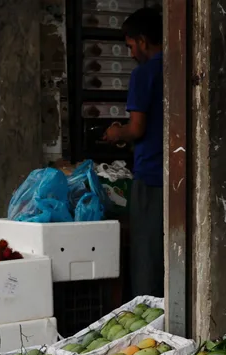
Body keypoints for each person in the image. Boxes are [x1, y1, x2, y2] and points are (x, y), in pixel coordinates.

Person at [104, 7, 163, 298]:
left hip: (151, 176)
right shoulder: (181, 67)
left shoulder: (144, 74)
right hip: (178, 176)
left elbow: (137, 128)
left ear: (142, 40)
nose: (130, 54)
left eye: (130, 46)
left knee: (146, 260)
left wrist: (117, 133)